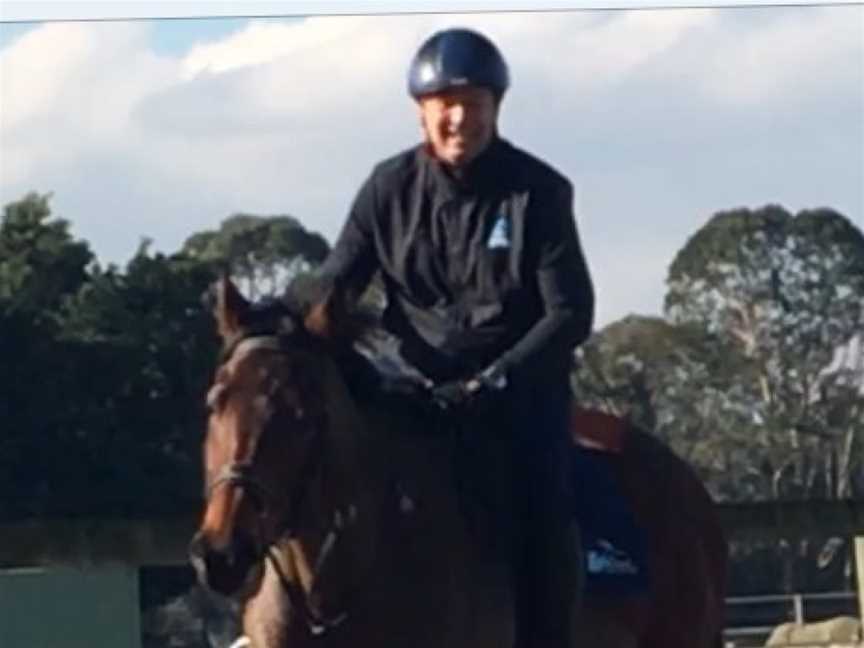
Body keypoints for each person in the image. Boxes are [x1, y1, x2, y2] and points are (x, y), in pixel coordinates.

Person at [309, 27, 593, 648]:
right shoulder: (386, 189)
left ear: (496, 107)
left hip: (514, 402)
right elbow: (335, 285)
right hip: (408, 394)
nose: (460, 116)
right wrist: (270, 320)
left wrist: (499, 378)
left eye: (474, 102)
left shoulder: (538, 192)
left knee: (543, 517)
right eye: (446, 104)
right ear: (422, 112)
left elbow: (570, 312)